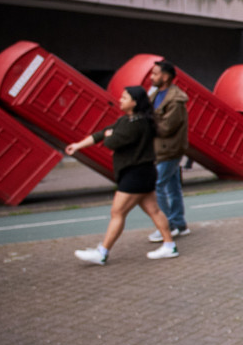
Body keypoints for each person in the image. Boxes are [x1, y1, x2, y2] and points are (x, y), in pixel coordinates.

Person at [66, 86, 179, 264]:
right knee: (154, 211)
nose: (120, 100)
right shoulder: (129, 120)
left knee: (117, 212)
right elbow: (103, 134)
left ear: (134, 102)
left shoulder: (136, 124)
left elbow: (111, 142)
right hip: (143, 172)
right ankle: (169, 246)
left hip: (135, 175)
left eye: (124, 97)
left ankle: (102, 253)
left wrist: (110, 135)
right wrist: (78, 145)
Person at [147, 60, 190, 241]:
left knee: (157, 186)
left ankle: (168, 225)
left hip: (169, 150)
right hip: (161, 149)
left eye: (155, 73)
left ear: (165, 77)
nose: (152, 76)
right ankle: (179, 223)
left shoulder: (175, 99)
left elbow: (165, 128)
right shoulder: (155, 94)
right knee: (172, 187)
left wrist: (147, 121)